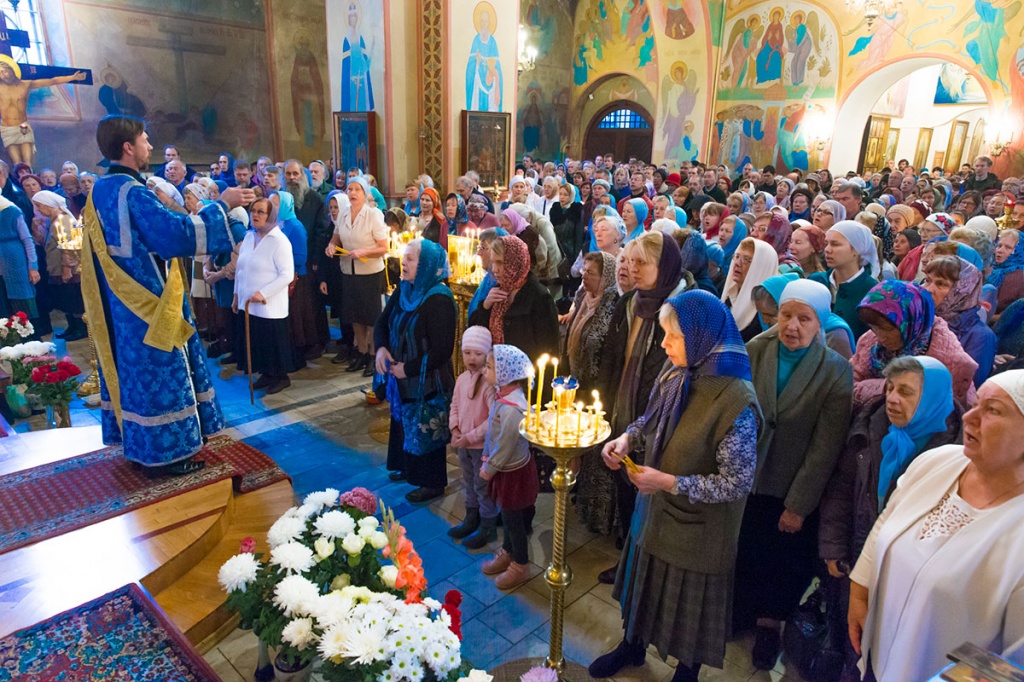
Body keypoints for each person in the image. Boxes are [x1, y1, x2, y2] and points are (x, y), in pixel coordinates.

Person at [589, 289, 760, 682]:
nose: (664, 343)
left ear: (702, 338)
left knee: (688, 611)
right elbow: (650, 421)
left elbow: (736, 483)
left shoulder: (736, 400)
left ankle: (687, 671)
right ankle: (632, 646)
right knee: (644, 591)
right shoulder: (676, 373)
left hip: (699, 532)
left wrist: (669, 482)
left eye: (673, 336)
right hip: (656, 516)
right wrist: (628, 439)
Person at [82, 115, 252, 473]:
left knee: (134, 377)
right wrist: (221, 204)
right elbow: (172, 236)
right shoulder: (132, 192)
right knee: (162, 376)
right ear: (128, 147)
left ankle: (140, 446)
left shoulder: (99, 189)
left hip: (119, 304)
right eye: (144, 139)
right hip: (149, 305)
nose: (149, 145)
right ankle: (167, 455)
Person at [846, 370, 1024, 682]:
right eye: (977, 403)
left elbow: (1012, 665)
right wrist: (859, 589)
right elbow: (887, 521)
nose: (969, 417)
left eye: (993, 410)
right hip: (873, 653)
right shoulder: (939, 461)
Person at [736, 277, 854, 670]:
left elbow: (825, 447)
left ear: (820, 323)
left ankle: (770, 625)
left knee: (782, 559)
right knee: (745, 548)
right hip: (747, 473)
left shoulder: (835, 371)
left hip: (790, 482)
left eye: (804, 319)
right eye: (786, 315)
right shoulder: (755, 349)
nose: (792, 326)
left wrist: (798, 504)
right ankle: (740, 612)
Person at [818, 356, 960, 680]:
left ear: (933, 399)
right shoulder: (872, 426)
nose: (893, 398)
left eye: (906, 392)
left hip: (905, 583)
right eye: (891, 388)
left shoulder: (954, 455)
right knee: (850, 641)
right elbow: (840, 488)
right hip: (856, 562)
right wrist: (834, 549)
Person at [597, 231, 688, 581]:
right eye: (630, 261)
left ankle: (644, 569)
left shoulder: (683, 306)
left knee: (649, 498)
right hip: (625, 407)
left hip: (662, 415)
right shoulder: (630, 302)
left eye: (642, 263)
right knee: (625, 487)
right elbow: (612, 357)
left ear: (663, 266)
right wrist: (605, 407)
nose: (633, 269)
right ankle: (627, 560)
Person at [375, 239, 456, 503]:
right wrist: (381, 348)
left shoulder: (439, 299)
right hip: (401, 374)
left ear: (426, 265)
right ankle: (408, 468)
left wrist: (407, 369)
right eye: (404, 257)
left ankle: (431, 483)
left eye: (410, 259)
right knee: (404, 423)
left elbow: (442, 350)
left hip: (427, 378)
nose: (403, 262)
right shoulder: (405, 289)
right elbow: (382, 322)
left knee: (425, 425)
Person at [852, 280, 978, 408]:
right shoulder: (869, 342)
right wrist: (882, 387)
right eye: (874, 327)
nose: (880, 337)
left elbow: (955, 413)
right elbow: (847, 385)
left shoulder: (950, 362)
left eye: (888, 329)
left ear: (911, 321)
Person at [566, 251, 620, 535]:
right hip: (577, 386)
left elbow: (607, 352)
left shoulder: (613, 307)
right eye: (584, 270)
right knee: (580, 451)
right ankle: (580, 502)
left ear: (606, 277)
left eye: (592, 273)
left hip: (597, 391)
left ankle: (598, 517)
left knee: (596, 454)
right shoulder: (581, 299)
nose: (585, 276)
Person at [479, 344, 539, 590]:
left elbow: (504, 446)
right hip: (505, 468)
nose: (485, 370)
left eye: (490, 367)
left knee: (513, 518)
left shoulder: (514, 409)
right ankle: (508, 551)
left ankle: (520, 565)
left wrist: (488, 469)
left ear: (505, 373)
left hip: (512, 471)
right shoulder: (501, 395)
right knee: (507, 514)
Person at [233, 197, 298, 394]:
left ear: (271, 216)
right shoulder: (249, 237)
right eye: (253, 211)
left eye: (261, 212)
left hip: (269, 304)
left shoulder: (279, 241)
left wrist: (263, 293)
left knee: (273, 343)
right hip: (248, 303)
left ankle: (280, 376)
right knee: (258, 341)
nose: (255, 215)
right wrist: (236, 295)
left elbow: (287, 274)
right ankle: (267, 373)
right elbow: (240, 269)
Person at [324, 176, 388, 376]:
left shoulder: (373, 214)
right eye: (349, 189)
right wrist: (332, 245)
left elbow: (384, 247)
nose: (352, 193)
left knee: (370, 317)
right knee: (354, 316)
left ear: (365, 193)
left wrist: (363, 252)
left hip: (369, 272)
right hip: (348, 271)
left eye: (356, 189)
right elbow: (336, 236)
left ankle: (372, 355)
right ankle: (360, 353)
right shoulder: (343, 214)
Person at [468, 234, 558, 361]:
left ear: (515, 262)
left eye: (500, 263)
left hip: (525, 375)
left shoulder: (539, 297)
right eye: (493, 262)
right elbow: (477, 334)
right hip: (495, 372)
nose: (494, 269)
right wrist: (485, 307)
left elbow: (548, 348)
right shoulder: (498, 290)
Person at [447, 326, 498, 547]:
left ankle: (488, 526)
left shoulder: (489, 384)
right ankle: (471, 517)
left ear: (487, 354)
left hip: (480, 447)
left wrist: (469, 437)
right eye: (467, 353)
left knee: (482, 486)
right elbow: (455, 405)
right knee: (468, 481)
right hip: (464, 444)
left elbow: (493, 419)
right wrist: (455, 429)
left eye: (478, 354)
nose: (472, 358)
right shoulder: (461, 379)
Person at [923, 256, 996, 387]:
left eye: (941, 284)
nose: (928, 289)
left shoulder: (980, 336)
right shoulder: (922, 319)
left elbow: (967, 388)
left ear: (963, 290)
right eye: (928, 281)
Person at [31, 190, 86, 340]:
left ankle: (80, 328)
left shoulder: (63, 220)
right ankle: (72, 327)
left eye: (39, 206)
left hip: (69, 269)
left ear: (49, 205)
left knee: (73, 299)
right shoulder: (53, 221)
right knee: (65, 300)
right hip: (56, 267)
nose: (38, 210)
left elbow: (69, 246)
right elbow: (50, 244)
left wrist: (67, 269)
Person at [274, 191, 321, 364]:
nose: (273, 207)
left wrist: (281, 265)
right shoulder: (280, 223)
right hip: (284, 276)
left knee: (299, 315)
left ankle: (306, 347)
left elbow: (301, 257)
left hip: (297, 278)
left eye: (276, 204)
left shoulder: (295, 226)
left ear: (285, 205)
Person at [826, 221, 880, 341]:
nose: (827, 249)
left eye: (835, 244)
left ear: (856, 250)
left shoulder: (873, 291)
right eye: (827, 243)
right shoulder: (816, 281)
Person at [721, 237, 779, 341]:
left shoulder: (766, 311)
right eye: (737, 256)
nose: (737, 263)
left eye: (746, 259)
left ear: (761, 268)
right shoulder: (728, 298)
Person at [989, 228, 1024, 315]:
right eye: (999, 246)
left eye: (1008, 248)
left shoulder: (1021, 276)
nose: (1000, 251)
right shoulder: (989, 269)